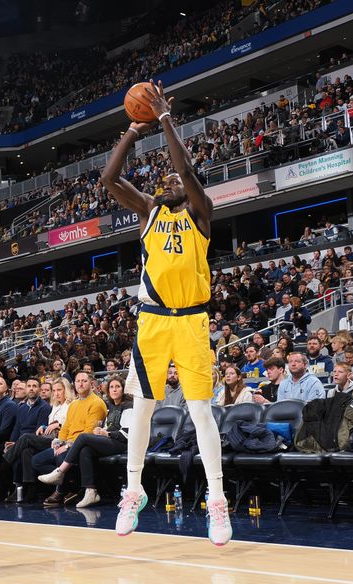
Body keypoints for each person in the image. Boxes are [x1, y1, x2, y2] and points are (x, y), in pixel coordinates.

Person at [101, 80, 231, 544]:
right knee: (141, 410)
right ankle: (133, 491)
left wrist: (165, 119)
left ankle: (217, 502)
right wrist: (134, 133)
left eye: (176, 179)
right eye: (168, 181)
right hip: (152, 322)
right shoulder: (148, 212)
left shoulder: (200, 212)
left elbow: (188, 172)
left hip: (192, 321)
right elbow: (109, 179)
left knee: (200, 413)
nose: (172, 181)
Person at [38, 376, 133, 508]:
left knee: (83, 438)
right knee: (85, 449)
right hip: (109, 440)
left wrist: (107, 433)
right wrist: (101, 430)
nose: (114, 389)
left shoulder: (128, 406)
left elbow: (127, 433)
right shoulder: (111, 407)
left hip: (123, 444)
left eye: (117, 386)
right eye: (111, 387)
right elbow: (107, 426)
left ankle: (60, 472)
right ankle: (90, 491)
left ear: (123, 389)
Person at [30, 372, 107, 506]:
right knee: (37, 460)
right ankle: (72, 485)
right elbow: (66, 427)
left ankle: (60, 492)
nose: (81, 384)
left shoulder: (97, 403)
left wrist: (68, 445)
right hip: (67, 443)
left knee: (61, 458)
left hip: (82, 446)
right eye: (78, 381)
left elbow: (89, 432)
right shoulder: (74, 404)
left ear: (91, 384)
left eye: (84, 381)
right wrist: (58, 441)